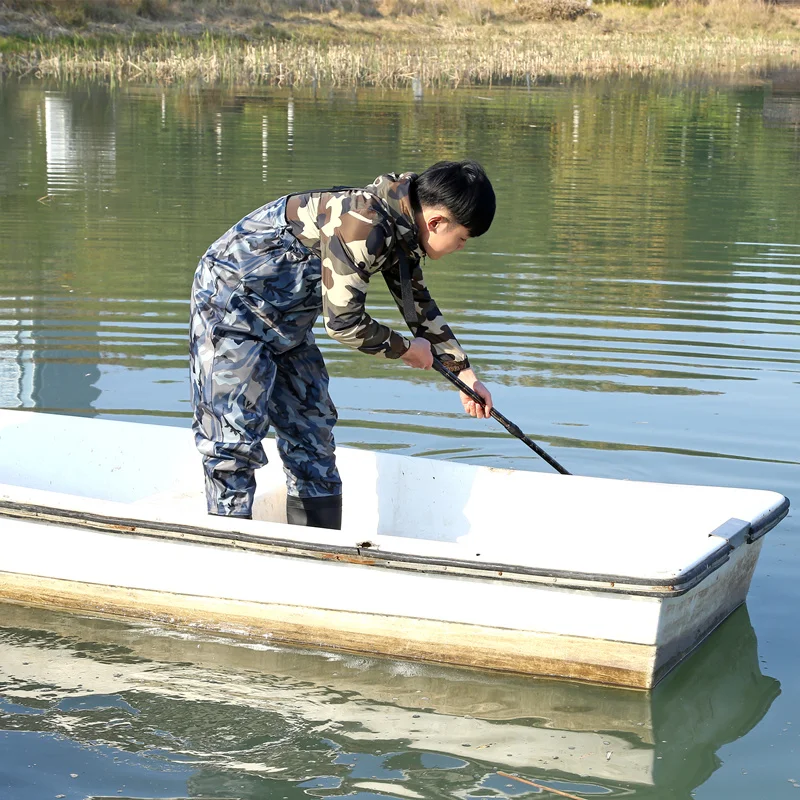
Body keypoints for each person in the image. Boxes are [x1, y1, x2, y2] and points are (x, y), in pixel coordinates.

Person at [189, 160, 496, 529]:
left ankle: (318, 549)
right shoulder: (362, 223)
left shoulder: (404, 226)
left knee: (312, 428)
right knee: (233, 440)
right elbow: (344, 322)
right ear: (436, 222)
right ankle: (227, 549)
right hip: (231, 307)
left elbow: (417, 303)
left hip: (289, 322)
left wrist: (463, 371)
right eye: (462, 238)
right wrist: (403, 349)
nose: (461, 247)